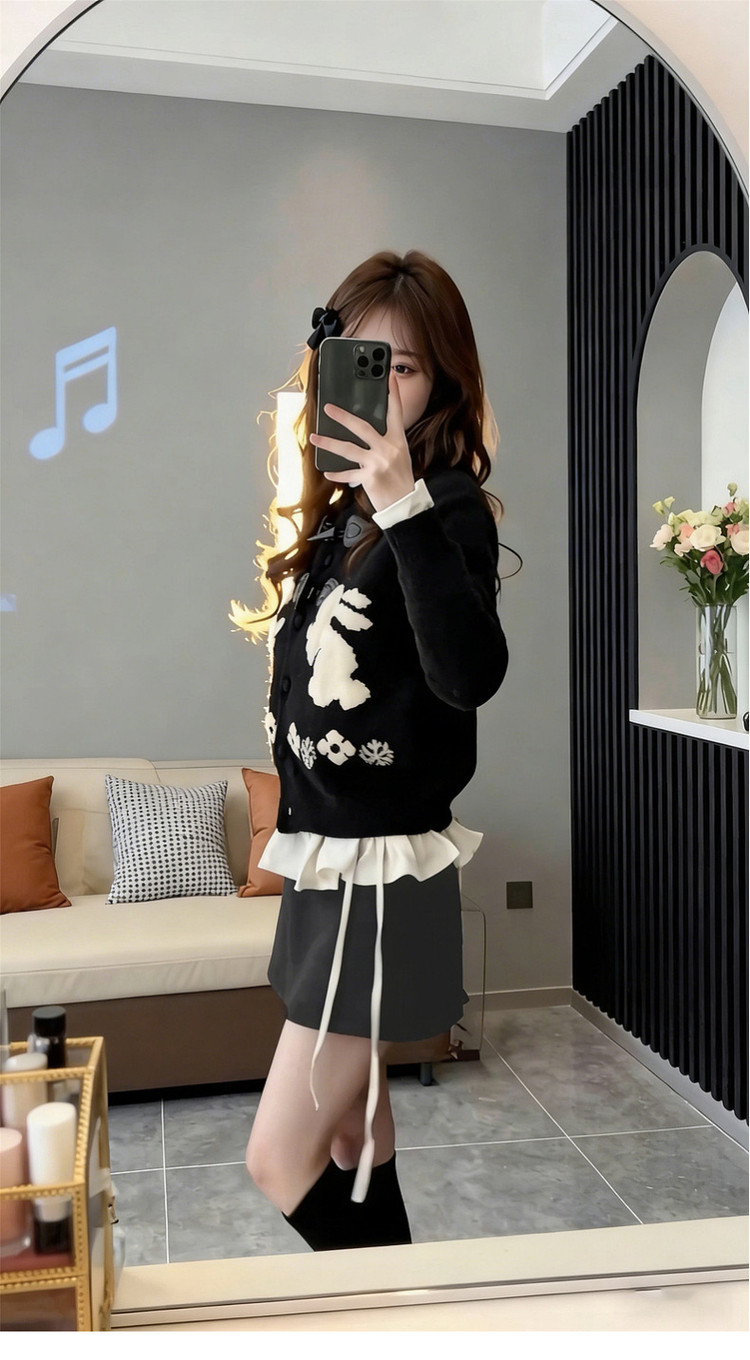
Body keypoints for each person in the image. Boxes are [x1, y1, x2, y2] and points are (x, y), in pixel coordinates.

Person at [241, 249, 509, 1252]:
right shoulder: (339, 513)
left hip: (378, 874)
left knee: (280, 1158)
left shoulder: (444, 510)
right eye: (365, 361)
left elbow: (468, 674)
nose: (385, 386)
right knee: (354, 1140)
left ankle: (397, 1315)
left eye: (406, 366)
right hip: (331, 864)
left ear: (442, 381)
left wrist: (403, 507)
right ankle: (394, 1308)